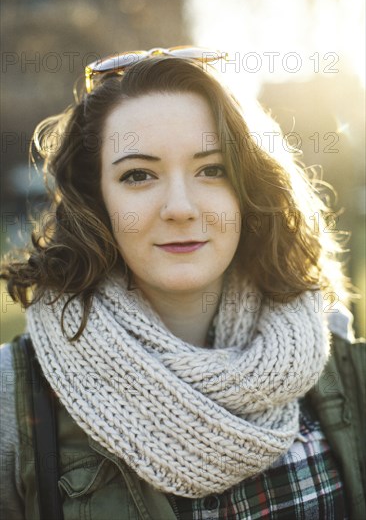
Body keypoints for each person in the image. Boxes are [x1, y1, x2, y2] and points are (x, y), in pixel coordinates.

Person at [1, 46, 365, 520]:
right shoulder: (13, 393)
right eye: (138, 175)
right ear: (96, 200)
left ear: (248, 187)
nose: (180, 207)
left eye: (211, 170)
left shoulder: (326, 332)